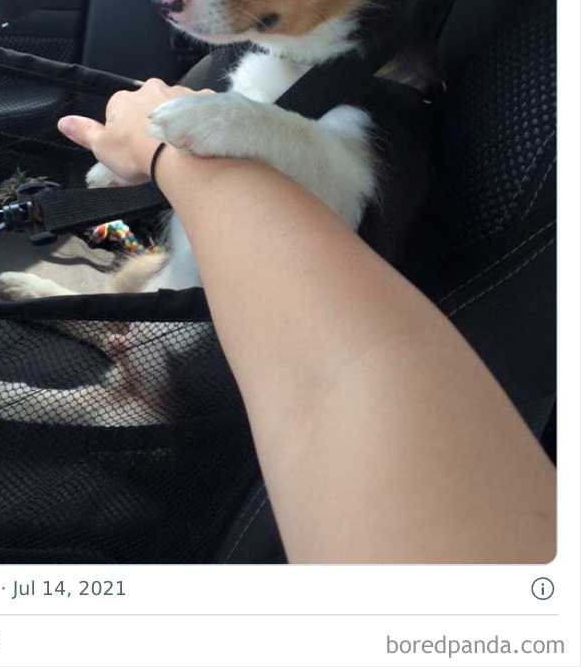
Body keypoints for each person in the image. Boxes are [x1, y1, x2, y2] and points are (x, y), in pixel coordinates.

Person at [57, 79, 556, 565]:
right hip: (189, 306)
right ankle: (81, 314)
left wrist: (162, 155)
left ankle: (91, 340)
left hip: (195, 419)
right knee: (135, 280)